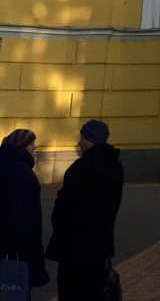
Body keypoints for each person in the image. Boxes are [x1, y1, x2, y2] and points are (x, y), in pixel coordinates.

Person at [45, 119, 124, 301]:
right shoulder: (115, 167)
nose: (79, 142)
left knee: (72, 291)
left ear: (87, 139)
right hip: (101, 243)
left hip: (75, 247)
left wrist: (60, 228)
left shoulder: (80, 169)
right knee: (96, 291)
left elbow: (63, 208)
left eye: (82, 137)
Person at [0, 128, 49, 295]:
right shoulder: (22, 172)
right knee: (15, 290)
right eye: (32, 146)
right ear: (23, 146)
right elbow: (24, 214)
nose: (34, 150)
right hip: (16, 246)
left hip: (6, 241)